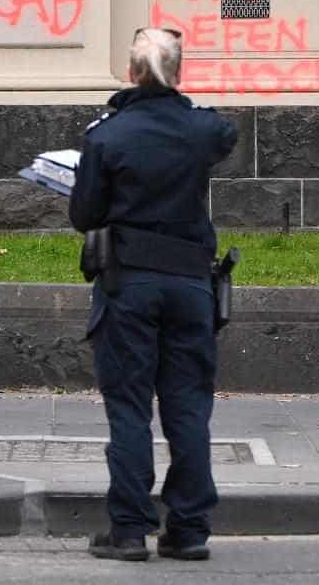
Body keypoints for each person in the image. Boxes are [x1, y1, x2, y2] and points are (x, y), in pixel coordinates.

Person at [69, 27, 238, 562]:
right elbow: (223, 132)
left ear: (132, 73)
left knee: (129, 408)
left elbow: (86, 216)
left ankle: (129, 529)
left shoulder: (107, 136)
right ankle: (188, 529)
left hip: (131, 285)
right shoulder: (199, 130)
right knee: (188, 407)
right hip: (191, 285)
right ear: (179, 73)